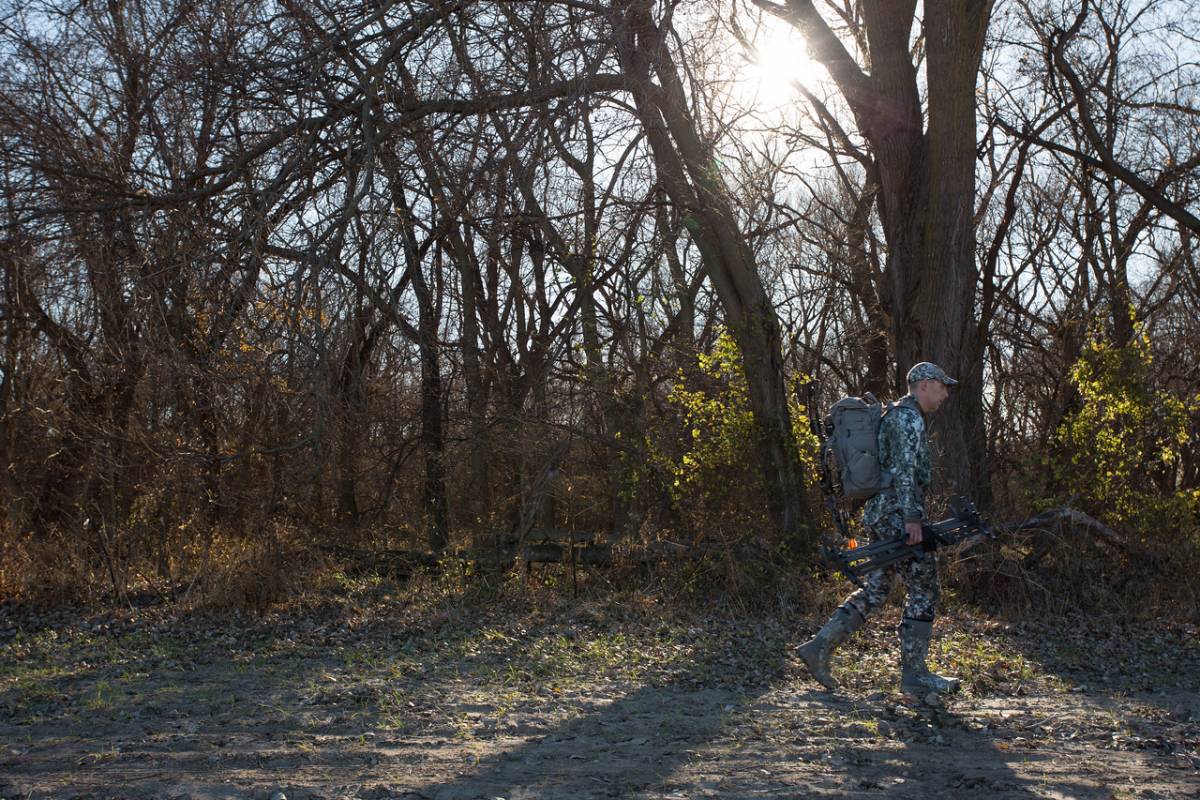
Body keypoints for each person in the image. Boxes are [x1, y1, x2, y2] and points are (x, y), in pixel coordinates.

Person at [797, 361, 960, 699]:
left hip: (883, 512)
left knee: (877, 588)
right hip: (897, 514)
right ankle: (914, 676)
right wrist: (912, 518)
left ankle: (818, 648)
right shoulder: (907, 417)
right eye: (942, 385)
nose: (945, 393)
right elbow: (903, 469)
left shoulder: (897, 415)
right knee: (925, 586)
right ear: (924, 384)